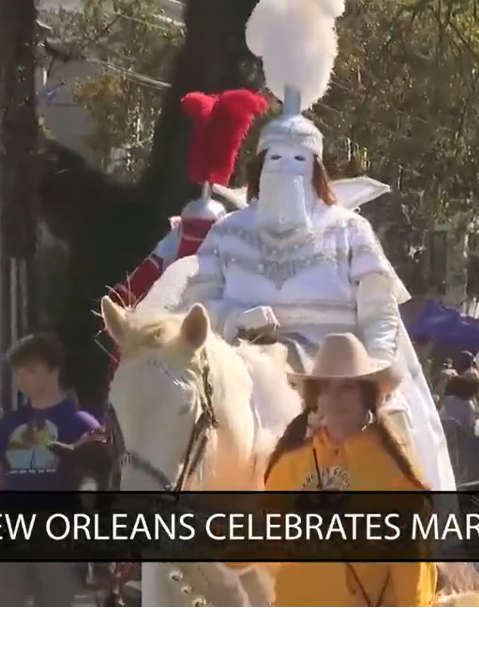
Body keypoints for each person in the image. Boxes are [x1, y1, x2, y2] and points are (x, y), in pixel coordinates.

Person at [175, 1, 455, 491]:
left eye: (299, 160)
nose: (286, 168)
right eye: (276, 158)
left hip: (339, 386)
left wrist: (372, 377)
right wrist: (234, 319)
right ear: (258, 167)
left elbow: (379, 313)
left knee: (399, 453)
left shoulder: (349, 231)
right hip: (241, 378)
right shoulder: (226, 232)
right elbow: (195, 308)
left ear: (317, 169)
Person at [264, 333, 437, 606]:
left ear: (367, 394)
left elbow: (411, 571)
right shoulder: (289, 465)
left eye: (347, 387)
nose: (334, 397)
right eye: (326, 387)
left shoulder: (393, 470)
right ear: (316, 396)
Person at [108, 89, 268, 314]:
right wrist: (122, 299)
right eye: (193, 226)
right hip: (174, 303)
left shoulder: (229, 231)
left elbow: (153, 264)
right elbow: (152, 267)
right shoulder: (185, 231)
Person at [0, 332, 102, 607]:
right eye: (18, 371)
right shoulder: (7, 424)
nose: (21, 378)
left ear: (53, 371)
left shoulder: (82, 424)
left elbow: (99, 488)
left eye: (30, 370)